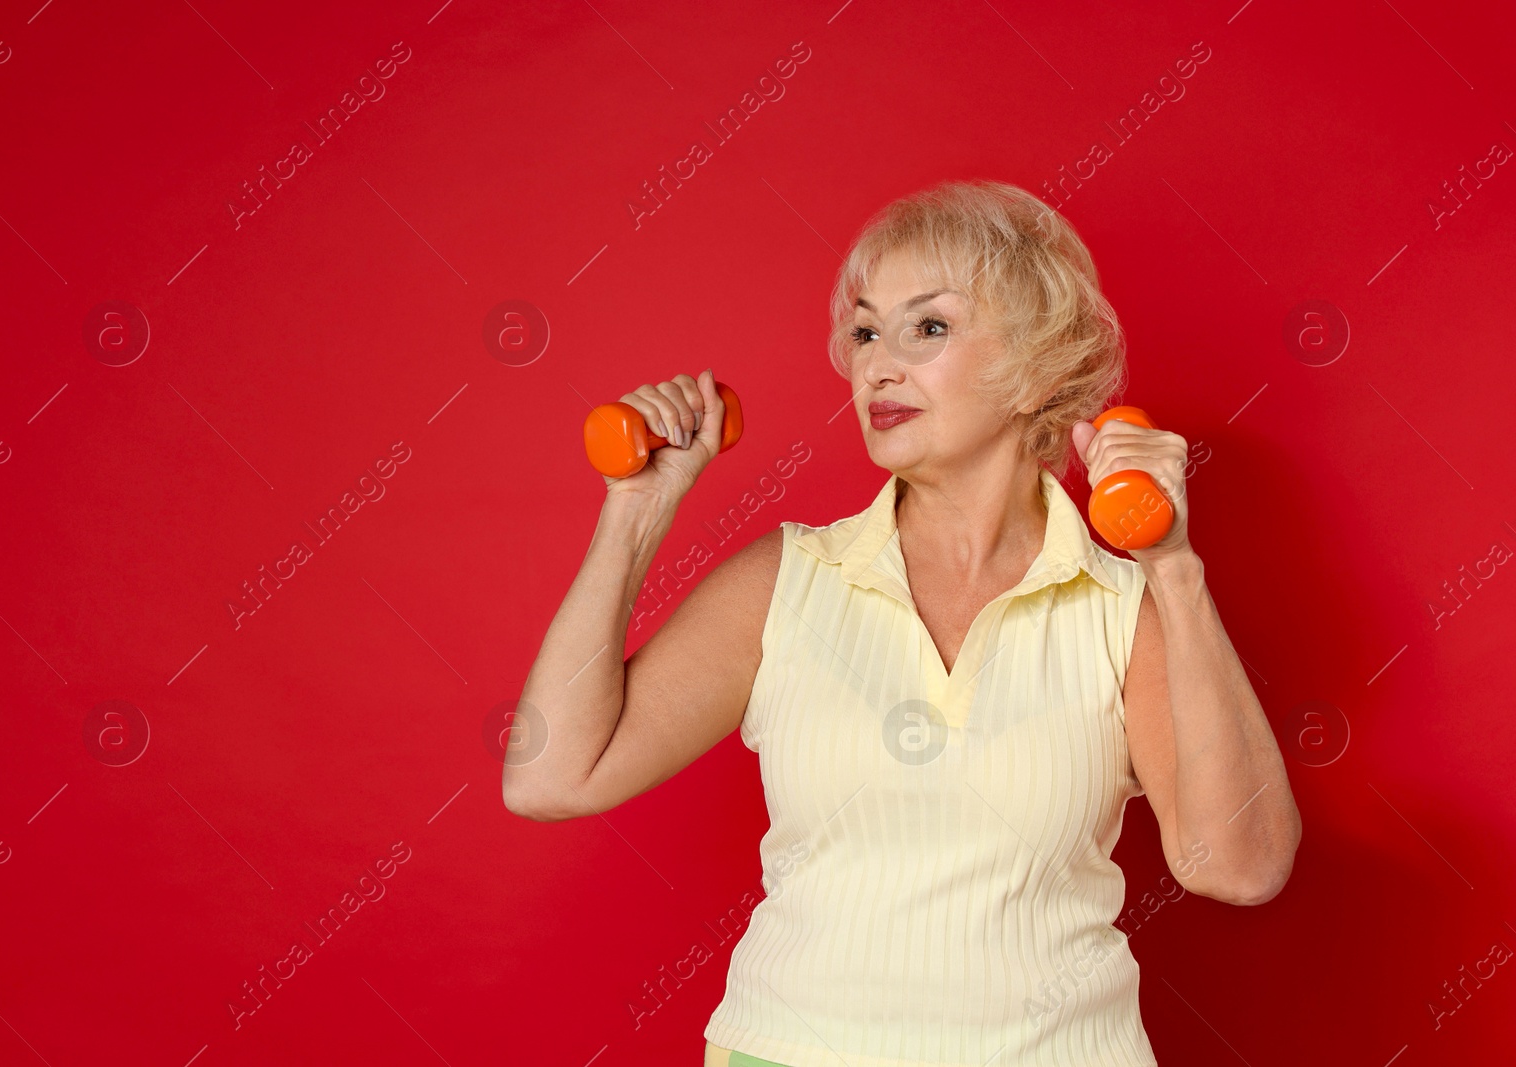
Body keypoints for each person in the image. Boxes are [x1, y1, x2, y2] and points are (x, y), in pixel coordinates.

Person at [502, 180, 1301, 1066]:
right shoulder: (789, 581)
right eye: (866, 329)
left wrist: (1175, 568)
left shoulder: (1126, 608)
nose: (877, 365)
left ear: (1038, 361)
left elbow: (1238, 864)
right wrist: (636, 513)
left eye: (929, 328)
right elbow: (552, 777)